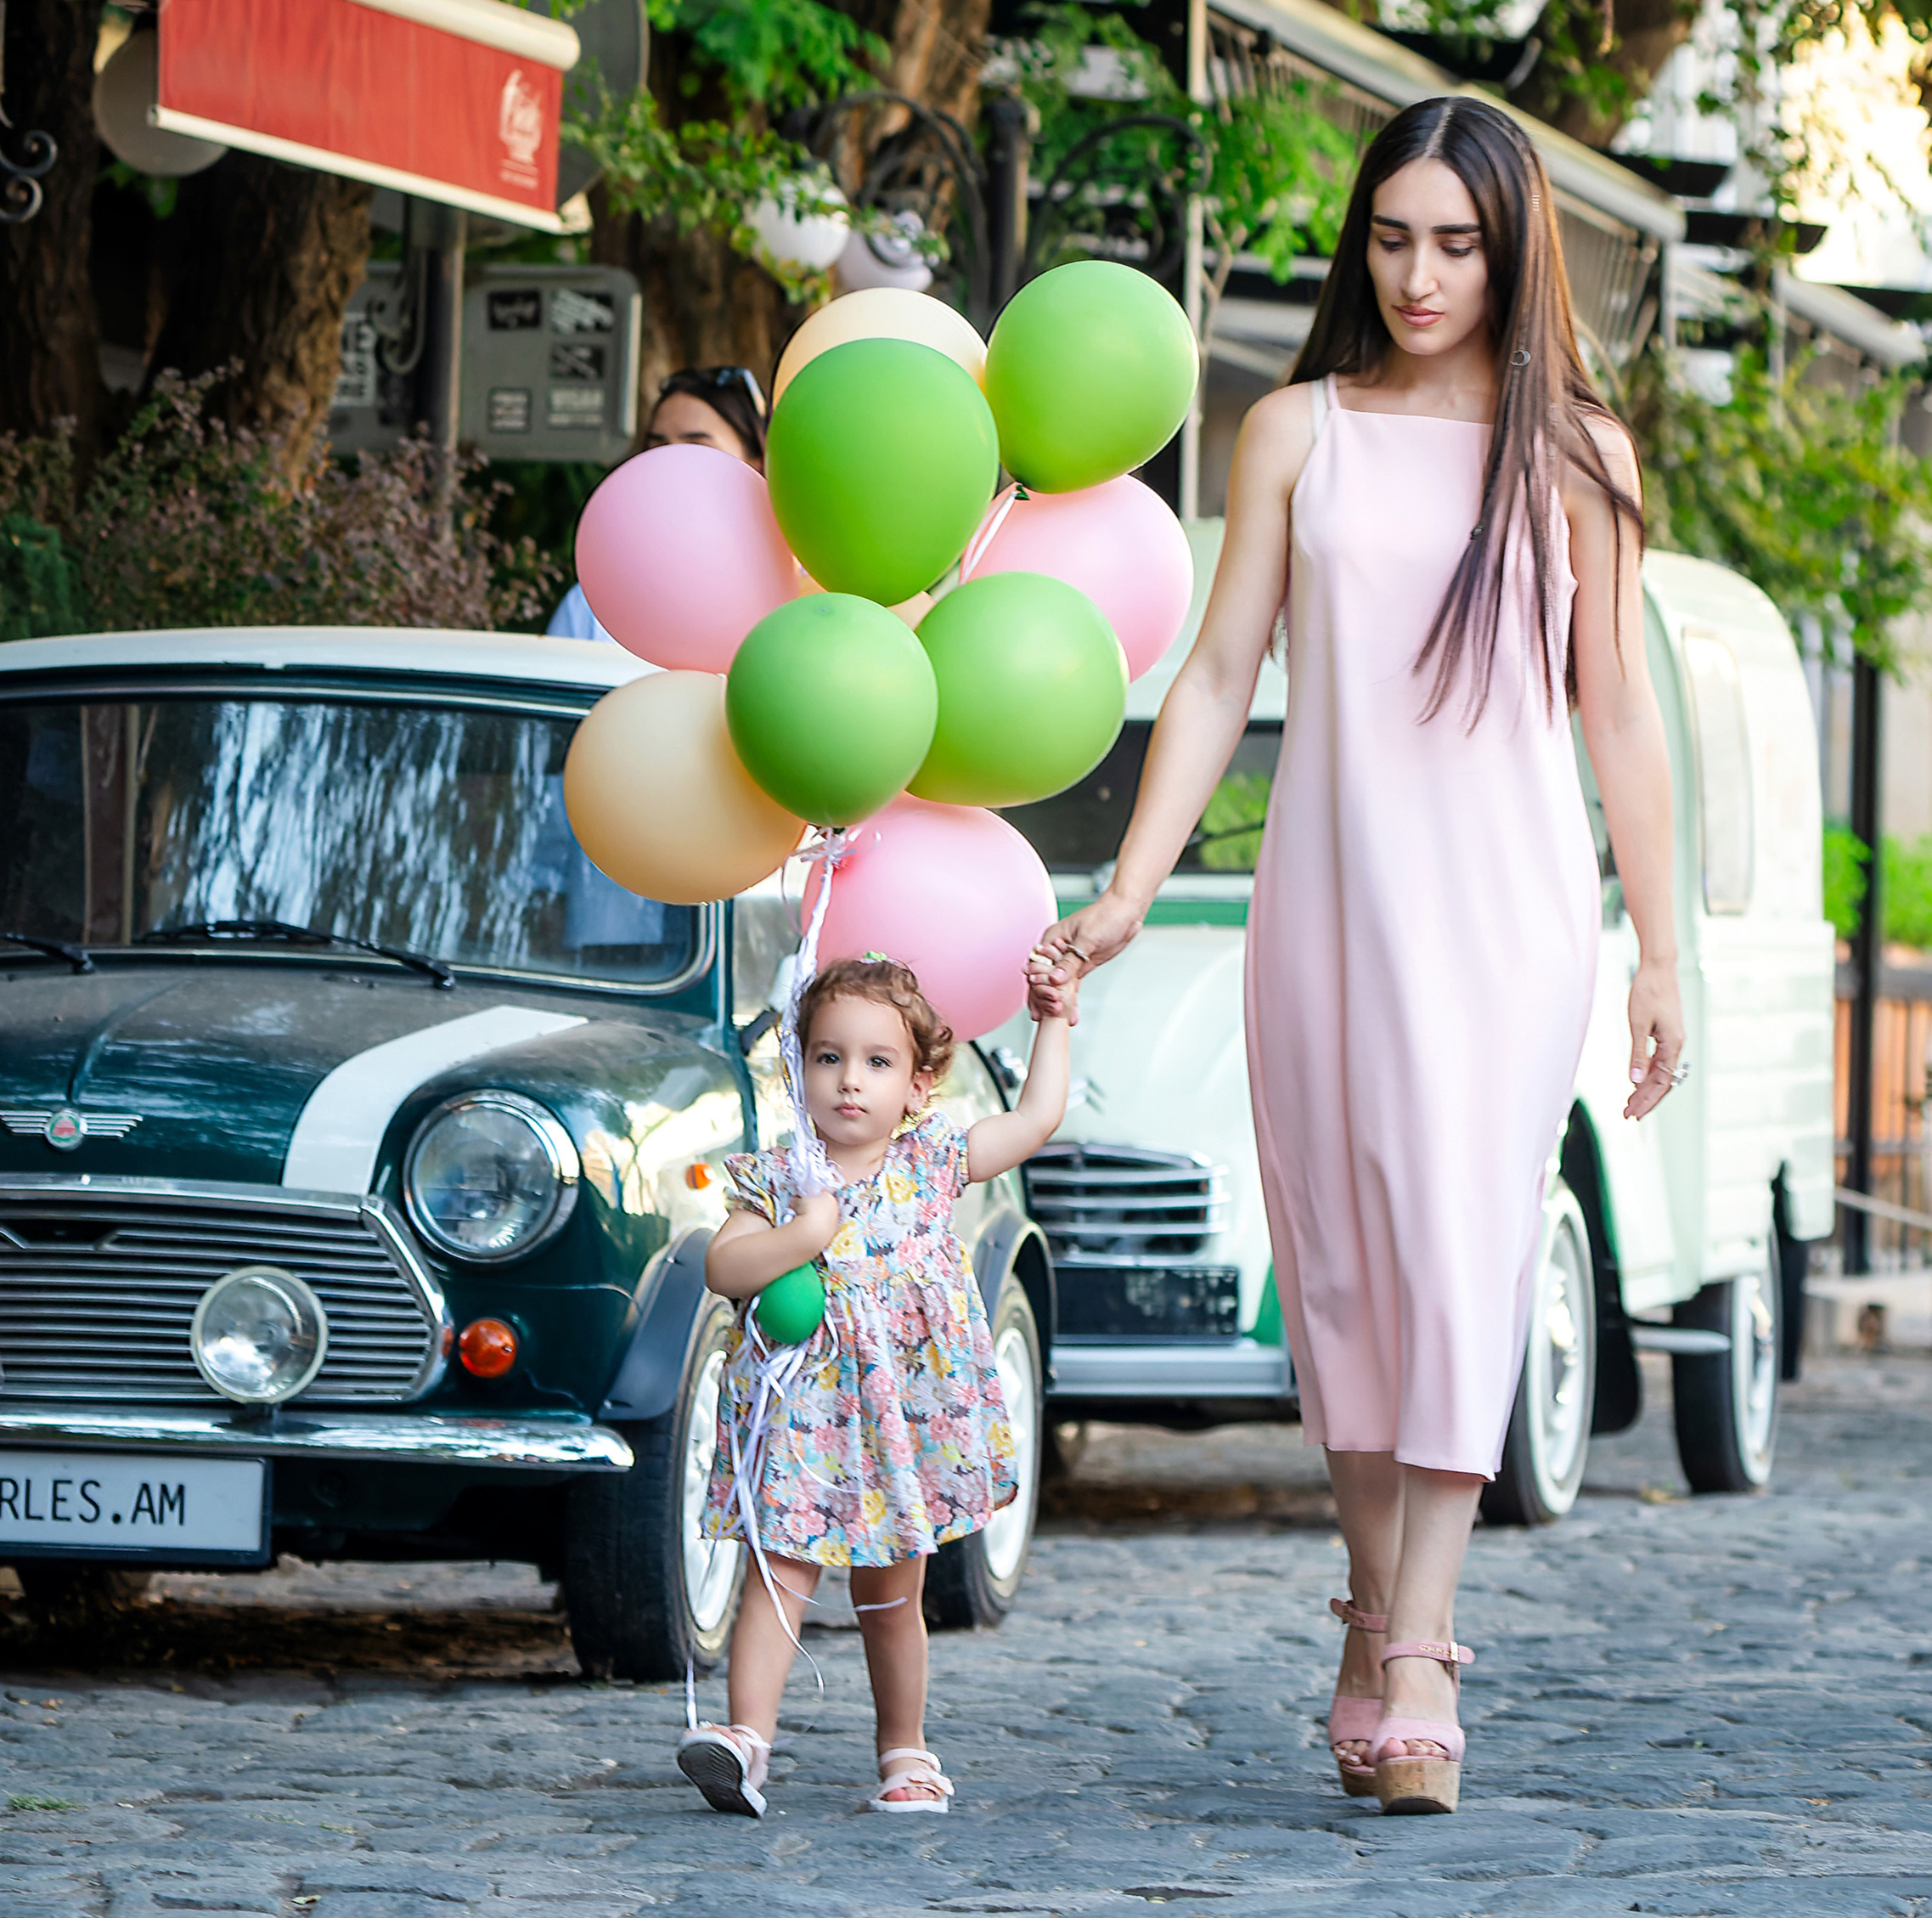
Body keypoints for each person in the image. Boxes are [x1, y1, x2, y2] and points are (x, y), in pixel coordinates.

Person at [1034, 98, 1684, 1815]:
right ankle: (1374, 1606)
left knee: (1460, 1248)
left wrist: (1660, 954)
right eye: (1391, 237)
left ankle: (1420, 1652)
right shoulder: (1294, 432)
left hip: (1509, 916)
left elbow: (1620, 714)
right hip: (1321, 907)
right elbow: (1212, 671)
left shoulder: (1581, 457)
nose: (1419, 274)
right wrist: (1128, 885)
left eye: (1455, 243)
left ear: (1513, 252)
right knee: (1343, 1268)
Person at [677, 949, 1077, 1820]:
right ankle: (746, 1742)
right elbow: (723, 1267)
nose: (849, 1080)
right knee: (778, 1571)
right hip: (804, 1416)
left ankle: (905, 1750)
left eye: (877, 1061)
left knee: (892, 1592)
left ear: (918, 1084)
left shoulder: (932, 1161)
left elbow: (1037, 1118)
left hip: (903, 1416)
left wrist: (1053, 1018)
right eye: (828, 1057)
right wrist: (803, 1234)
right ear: (799, 1071)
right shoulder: (782, 1179)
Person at [546, 364, 769, 641]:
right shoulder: (591, 606)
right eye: (657, 447)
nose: (669, 462)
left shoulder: (801, 585)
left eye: (696, 446)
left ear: (756, 461)